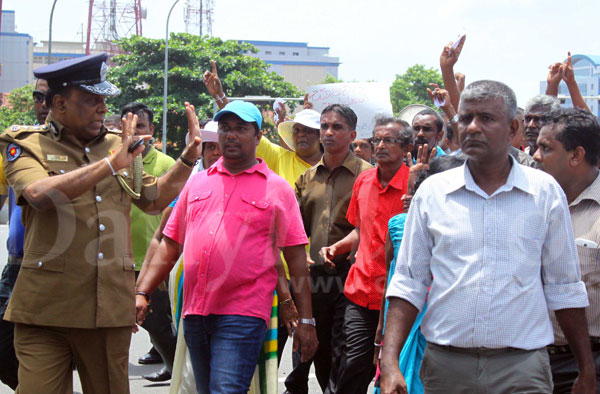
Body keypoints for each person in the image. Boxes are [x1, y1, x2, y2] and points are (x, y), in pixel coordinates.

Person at [0, 52, 203, 393]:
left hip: (105, 309)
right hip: (44, 310)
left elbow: (152, 199)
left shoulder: (117, 145)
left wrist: (187, 158)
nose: (102, 109)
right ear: (60, 103)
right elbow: (38, 194)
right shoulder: (25, 144)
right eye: (92, 100)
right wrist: (109, 165)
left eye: (104, 100)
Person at [380, 80, 595, 394]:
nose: (473, 127)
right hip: (446, 366)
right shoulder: (433, 193)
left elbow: (565, 287)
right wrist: (389, 362)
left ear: (512, 129)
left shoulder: (544, 193)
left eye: (486, 118)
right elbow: (409, 282)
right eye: (466, 118)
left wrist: (585, 369)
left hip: (522, 369)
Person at [135, 100, 318, 394]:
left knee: (227, 389)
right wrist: (142, 292)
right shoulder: (197, 184)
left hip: (244, 313)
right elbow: (170, 244)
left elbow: (295, 258)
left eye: (241, 129)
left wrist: (305, 319)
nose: (231, 135)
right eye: (225, 129)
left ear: (258, 137)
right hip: (195, 311)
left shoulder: (277, 189)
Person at [320, 116, 412, 394]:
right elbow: (361, 229)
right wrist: (338, 247)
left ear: (407, 148)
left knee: (396, 370)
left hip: (399, 298)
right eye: (377, 140)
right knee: (352, 365)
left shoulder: (415, 186)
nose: (381, 145)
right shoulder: (364, 180)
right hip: (360, 292)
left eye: (389, 140)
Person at [288, 104, 372, 394]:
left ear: (352, 135)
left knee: (345, 351)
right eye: (324, 126)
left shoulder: (368, 176)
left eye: (336, 127)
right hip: (311, 277)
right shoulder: (306, 178)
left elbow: (370, 226)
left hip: (351, 276)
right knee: (311, 347)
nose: (328, 133)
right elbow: (295, 228)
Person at [373, 155, 466, 394]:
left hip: (446, 335)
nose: (408, 197)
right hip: (406, 327)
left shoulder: (469, 231)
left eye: (417, 191)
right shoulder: (398, 226)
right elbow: (393, 283)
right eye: (411, 190)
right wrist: (382, 333)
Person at [533, 108, 600, 393]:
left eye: (546, 148)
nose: (535, 156)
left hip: (589, 365)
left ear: (576, 156)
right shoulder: (528, 204)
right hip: (528, 360)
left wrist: (589, 372)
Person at [120, 101, 178, 383]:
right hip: (118, 260)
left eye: (140, 126)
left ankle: (176, 368)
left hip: (152, 261)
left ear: (151, 130)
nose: (134, 132)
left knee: (157, 323)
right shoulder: (114, 161)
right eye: (129, 126)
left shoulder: (167, 164)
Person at [0, 77, 49, 390]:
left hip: (56, 270)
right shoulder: (16, 144)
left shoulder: (92, 149)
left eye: (52, 97)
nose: (43, 105)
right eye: (38, 97)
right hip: (16, 267)